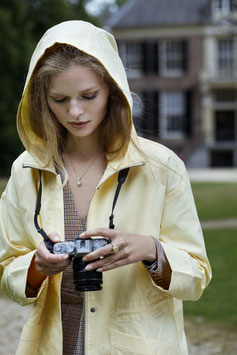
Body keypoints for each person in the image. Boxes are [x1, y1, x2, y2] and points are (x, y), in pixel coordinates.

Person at [0, 20, 211, 355]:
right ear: (42, 100)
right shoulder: (25, 170)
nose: (75, 111)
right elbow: (8, 272)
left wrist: (150, 250)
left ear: (112, 89)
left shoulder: (162, 166)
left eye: (88, 96)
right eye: (59, 99)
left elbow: (198, 275)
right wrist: (36, 267)